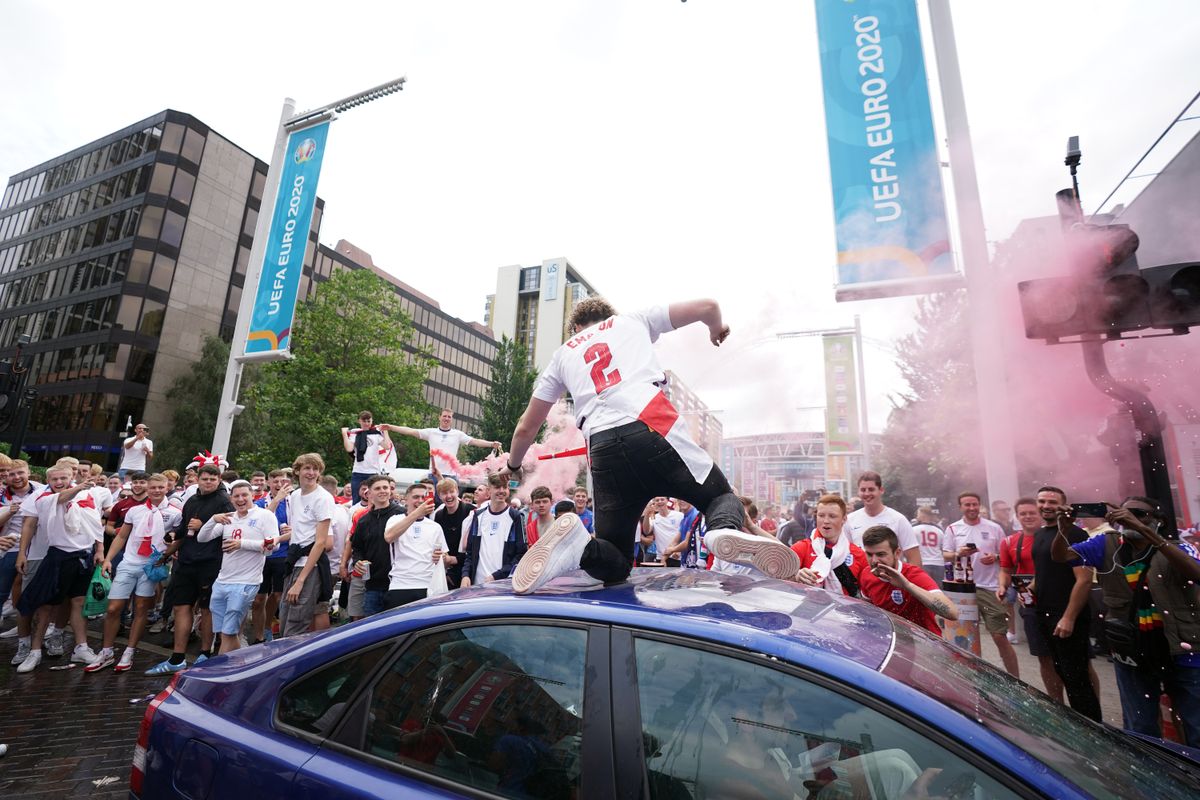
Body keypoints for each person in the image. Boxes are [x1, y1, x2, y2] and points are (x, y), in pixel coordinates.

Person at [501, 297, 798, 593]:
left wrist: (513, 466)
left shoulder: (563, 354)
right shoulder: (631, 320)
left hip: (602, 447)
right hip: (652, 424)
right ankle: (721, 530)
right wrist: (716, 329)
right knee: (720, 496)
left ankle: (580, 546)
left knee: (615, 560)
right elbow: (708, 307)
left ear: (576, 328)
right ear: (609, 315)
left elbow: (526, 427)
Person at [1054, 496, 1200, 743]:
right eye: (1125, 513)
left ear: (1158, 521)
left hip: (1182, 649)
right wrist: (1064, 531)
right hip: (1132, 650)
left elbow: (1196, 573)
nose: (1129, 518)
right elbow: (1061, 557)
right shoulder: (1106, 544)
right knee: (1139, 727)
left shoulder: (1176, 547)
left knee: (1196, 725)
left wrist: (1142, 529)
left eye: (1139, 514)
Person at [145, 463, 234, 674]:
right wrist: (166, 554)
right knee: (181, 606)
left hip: (211, 563)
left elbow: (231, 530)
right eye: (205, 478)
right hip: (186, 561)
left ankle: (205, 653)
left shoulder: (224, 501)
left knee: (206, 609)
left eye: (213, 479)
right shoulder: (192, 500)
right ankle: (177, 657)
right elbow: (184, 532)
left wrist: (203, 526)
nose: (209, 482)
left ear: (219, 479)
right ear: (199, 479)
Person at [13, 465, 102, 673]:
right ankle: (34, 651)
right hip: (58, 556)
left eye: (63, 478)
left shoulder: (86, 495)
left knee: (78, 602)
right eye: (54, 479)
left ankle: (81, 647)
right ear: (48, 481)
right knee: (45, 606)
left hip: (84, 556)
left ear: (71, 477)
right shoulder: (45, 499)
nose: (59, 482)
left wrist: (100, 549)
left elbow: (95, 523)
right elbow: (61, 499)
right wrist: (22, 553)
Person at [88, 473, 181, 673]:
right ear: (147, 489)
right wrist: (108, 559)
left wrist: (166, 555)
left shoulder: (175, 512)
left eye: (160, 487)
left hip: (152, 565)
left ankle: (129, 651)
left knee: (140, 608)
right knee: (113, 608)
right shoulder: (135, 510)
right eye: (153, 487)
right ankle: (106, 651)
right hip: (130, 562)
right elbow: (122, 536)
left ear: (167, 488)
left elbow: (179, 539)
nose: (156, 490)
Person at [1030, 486, 1102, 722]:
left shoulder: (1075, 534)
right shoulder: (1040, 534)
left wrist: (1069, 617)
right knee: (1061, 670)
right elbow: (1044, 572)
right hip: (1044, 612)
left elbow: (1083, 580)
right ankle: (1075, 724)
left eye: (1052, 502)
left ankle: (1092, 729)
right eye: (1042, 501)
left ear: (1063, 505)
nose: (1046, 506)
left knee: (1076, 676)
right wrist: (1028, 588)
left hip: (1067, 616)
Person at [942, 491, 1019, 677]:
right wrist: (959, 554)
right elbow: (945, 554)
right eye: (967, 505)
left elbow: (1007, 557)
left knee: (999, 636)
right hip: (963, 589)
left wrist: (996, 557)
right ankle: (969, 677)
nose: (971, 508)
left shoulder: (994, 528)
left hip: (989, 588)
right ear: (960, 507)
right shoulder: (953, 528)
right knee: (964, 637)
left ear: (979, 505)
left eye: (974, 504)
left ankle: (1016, 680)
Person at [197, 480, 279, 653]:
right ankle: (236, 664)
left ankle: (221, 671)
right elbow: (202, 538)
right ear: (231, 498)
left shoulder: (265, 516)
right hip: (222, 580)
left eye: (244, 495)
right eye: (236, 496)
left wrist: (241, 544)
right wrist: (212, 519)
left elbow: (273, 546)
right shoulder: (229, 518)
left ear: (252, 496)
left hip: (246, 582)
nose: (240, 499)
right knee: (225, 633)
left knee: (228, 631)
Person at [999, 497, 1065, 702]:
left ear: (1040, 514)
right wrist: (1002, 585)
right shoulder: (1009, 542)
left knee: (1075, 659)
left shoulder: (1057, 537)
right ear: (1017, 516)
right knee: (1044, 657)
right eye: (1023, 514)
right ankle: (1058, 705)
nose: (1028, 517)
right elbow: (1005, 569)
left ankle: (1086, 710)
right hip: (1030, 605)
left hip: (1059, 602)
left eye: (1032, 513)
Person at [859, 526, 959, 635]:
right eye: (869, 554)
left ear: (897, 553)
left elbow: (952, 613)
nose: (874, 561)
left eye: (881, 554)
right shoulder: (867, 574)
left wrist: (907, 585)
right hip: (891, 641)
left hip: (925, 643)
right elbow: (868, 610)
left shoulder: (914, 575)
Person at [278, 453, 336, 637]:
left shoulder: (323, 498)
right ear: (297, 471)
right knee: (284, 620)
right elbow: (298, 532)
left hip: (310, 567)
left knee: (295, 626)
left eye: (315, 469)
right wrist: (274, 540)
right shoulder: (294, 496)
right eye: (307, 468)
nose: (311, 473)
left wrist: (301, 581)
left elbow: (320, 542)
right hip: (293, 562)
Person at [385, 408, 501, 480]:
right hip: (434, 474)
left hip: (451, 475)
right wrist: (391, 427)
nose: (446, 418)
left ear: (452, 419)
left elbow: (474, 441)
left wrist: (491, 444)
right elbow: (410, 431)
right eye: (444, 416)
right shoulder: (431, 432)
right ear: (439, 417)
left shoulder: (457, 434)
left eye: (449, 417)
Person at [381, 483, 446, 609]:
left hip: (428, 585)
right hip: (400, 585)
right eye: (416, 497)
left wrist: (443, 558)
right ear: (406, 500)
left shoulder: (435, 527)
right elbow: (389, 537)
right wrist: (417, 513)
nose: (420, 501)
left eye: (423, 497)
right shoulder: (395, 519)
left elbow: (445, 557)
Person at [791, 495, 867, 596]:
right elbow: (778, 581)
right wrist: (795, 577)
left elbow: (868, 593)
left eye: (832, 516)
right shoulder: (801, 548)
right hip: (808, 610)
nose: (826, 521)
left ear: (844, 519)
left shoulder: (858, 554)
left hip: (844, 611)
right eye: (821, 515)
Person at [461, 475, 527, 587]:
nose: (501, 491)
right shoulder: (478, 515)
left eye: (504, 487)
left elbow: (521, 555)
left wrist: (496, 576)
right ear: (489, 490)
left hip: (502, 586)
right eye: (497, 487)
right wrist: (466, 575)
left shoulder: (515, 516)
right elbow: (470, 552)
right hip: (477, 585)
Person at [251, 469, 293, 643]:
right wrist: (277, 499)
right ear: (268, 483)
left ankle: (270, 629)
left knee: (279, 596)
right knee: (259, 598)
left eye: (283, 481)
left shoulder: (294, 502)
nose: (279, 485)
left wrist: (292, 530)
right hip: (263, 555)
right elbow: (262, 519)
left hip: (284, 554)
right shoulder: (261, 503)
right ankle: (259, 635)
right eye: (275, 481)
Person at [844, 472, 920, 564]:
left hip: (890, 577)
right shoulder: (850, 520)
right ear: (858, 492)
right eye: (863, 490)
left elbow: (914, 557)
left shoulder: (898, 519)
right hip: (861, 577)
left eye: (871, 489)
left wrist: (906, 578)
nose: (867, 493)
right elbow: (846, 554)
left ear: (881, 490)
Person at [341, 411, 394, 502]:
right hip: (358, 471)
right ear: (359, 421)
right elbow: (349, 448)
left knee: (373, 500)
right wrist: (344, 434)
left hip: (373, 471)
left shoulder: (376, 434)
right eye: (364, 421)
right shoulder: (355, 433)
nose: (366, 423)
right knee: (357, 499)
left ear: (372, 421)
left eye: (368, 421)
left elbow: (387, 446)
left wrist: (385, 431)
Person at [432, 478, 474, 588]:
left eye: (451, 491)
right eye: (444, 493)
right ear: (439, 496)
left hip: (468, 569)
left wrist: (455, 559)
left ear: (457, 492)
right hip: (448, 571)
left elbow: (476, 545)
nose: (449, 496)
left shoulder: (471, 511)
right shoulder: (439, 515)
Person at [641, 497, 684, 566]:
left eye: (662, 499)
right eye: (657, 500)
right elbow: (646, 531)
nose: (660, 502)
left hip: (676, 556)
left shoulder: (679, 515)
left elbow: (684, 534)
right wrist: (647, 514)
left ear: (667, 501)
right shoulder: (654, 518)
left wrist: (679, 550)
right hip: (660, 557)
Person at [911, 506, 946, 588]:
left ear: (923, 515)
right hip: (938, 563)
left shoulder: (914, 529)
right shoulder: (939, 530)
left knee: (923, 590)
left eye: (918, 514)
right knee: (937, 591)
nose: (916, 517)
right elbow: (943, 548)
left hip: (923, 563)